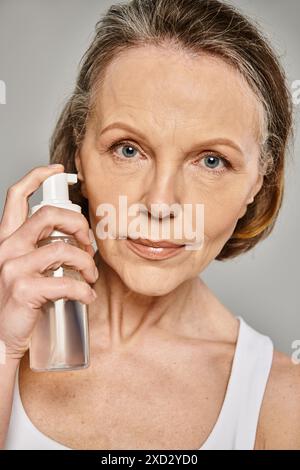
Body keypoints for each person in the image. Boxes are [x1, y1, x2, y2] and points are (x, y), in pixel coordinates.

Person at [1, 0, 299, 450]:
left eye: (211, 161)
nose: (160, 204)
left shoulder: (283, 404)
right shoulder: (9, 332)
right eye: (128, 149)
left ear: (258, 181)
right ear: (79, 152)